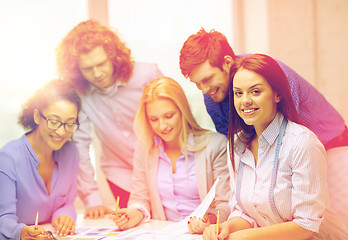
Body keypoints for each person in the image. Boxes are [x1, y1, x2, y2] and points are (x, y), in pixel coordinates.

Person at [202, 54, 348, 240]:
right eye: (239, 93)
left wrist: (246, 237)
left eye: (255, 92)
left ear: (277, 94)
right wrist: (226, 227)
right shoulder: (237, 144)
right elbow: (244, 212)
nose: (245, 100)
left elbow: (306, 225)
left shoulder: (302, 142)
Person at [56, 19, 163, 218]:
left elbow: (177, 120)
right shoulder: (80, 94)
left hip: (161, 166)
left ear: (113, 57)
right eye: (87, 69)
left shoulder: (147, 75)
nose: (96, 74)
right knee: (136, 225)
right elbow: (79, 145)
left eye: (101, 64)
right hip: (119, 173)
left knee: (166, 223)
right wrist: (92, 198)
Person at [179, 28, 348, 150]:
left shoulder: (269, 73)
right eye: (197, 84)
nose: (204, 90)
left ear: (228, 63)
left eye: (207, 79)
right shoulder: (212, 97)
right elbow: (235, 146)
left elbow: (288, 137)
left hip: (332, 141)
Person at [112, 77, 230, 234]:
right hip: (163, 234)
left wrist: (209, 220)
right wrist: (135, 213)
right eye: (154, 119)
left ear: (183, 111)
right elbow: (139, 197)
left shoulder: (215, 145)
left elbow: (226, 203)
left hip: (201, 235)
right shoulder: (145, 148)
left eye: (169, 116)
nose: (162, 126)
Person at [0, 80, 81, 239]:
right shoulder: (8, 158)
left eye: (70, 124)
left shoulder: (71, 153)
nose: (61, 132)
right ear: (37, 116)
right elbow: (3, 218)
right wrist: (21, 232)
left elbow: (67, 203)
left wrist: (64, 216)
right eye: (54, 121)